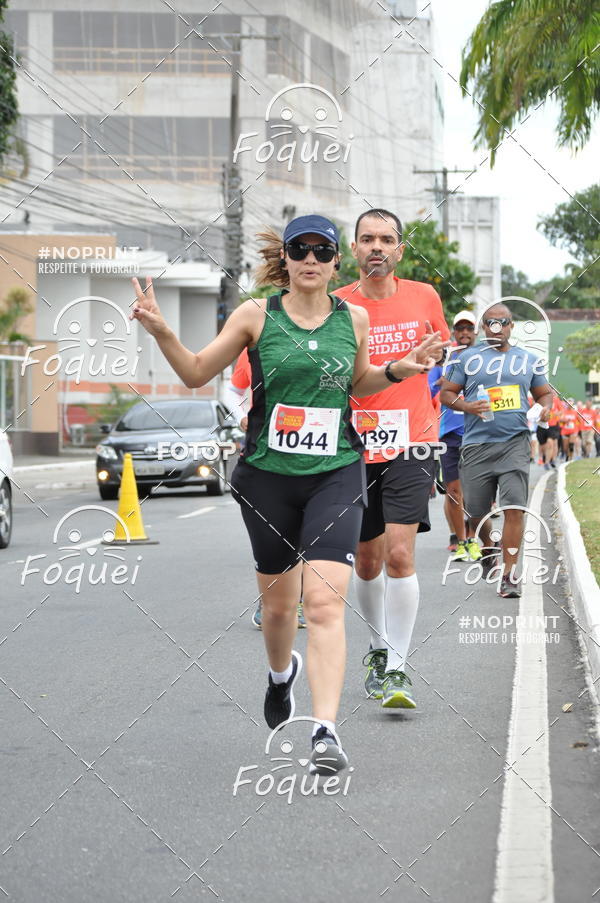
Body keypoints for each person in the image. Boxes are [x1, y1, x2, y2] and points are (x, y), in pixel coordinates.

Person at [131, 214, 444, 773]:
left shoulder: (355, 317)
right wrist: (162, 332)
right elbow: (197, 373)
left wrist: (399, 369)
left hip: (337, 471)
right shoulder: (257, 314)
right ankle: (281, 677)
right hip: (268, 476)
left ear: (333, 263)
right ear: (289, 258)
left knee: (323, 604)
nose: (311, 259)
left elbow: (358, 381)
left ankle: (325, 731)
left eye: (322, 251)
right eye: (300, 249)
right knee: (279, 609)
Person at [335, 208, 450, 710]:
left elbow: (441, 346)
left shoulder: (424, 295)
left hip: (413, 439)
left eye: (386, 239)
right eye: (367, 239)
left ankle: (399, 669)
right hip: (355, 444)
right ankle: (379, 647)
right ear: (354, 250)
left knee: (401, 555)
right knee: (367, 559)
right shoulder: (336, 304)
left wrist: (435, 356)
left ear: (400, 250)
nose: (377, 246)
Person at [440, 302, 553, 598]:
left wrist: (544, 409)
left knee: (514, 507)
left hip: (514, 444)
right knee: (477, 512)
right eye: (489, 323)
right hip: (476, 445)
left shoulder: (528, 360)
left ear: (511, 326)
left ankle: (510, 574)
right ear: (482, 328)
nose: (496, 328)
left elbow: (544, 394)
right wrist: (467, 406)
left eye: (501, 323)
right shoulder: (467, 359)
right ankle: (489, 546)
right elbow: (446, 393)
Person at [229, 349, 307, 630]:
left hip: (311, 455)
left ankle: (298, 603)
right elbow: (233, 391)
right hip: (264, 455)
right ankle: (270, 601)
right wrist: (241, 416)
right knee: (275, 535)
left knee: (306, 534)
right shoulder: (253, 346)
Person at [429, 310, 481, 562]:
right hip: (449, 433)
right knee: (453, 490)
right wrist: (439, 385)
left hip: (479, 433)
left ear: (476, 332)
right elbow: (428, 390)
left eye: (469, 329)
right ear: (453, 331)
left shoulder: (487, 358)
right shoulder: (444, 359)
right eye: (460, 329)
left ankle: (471, 538)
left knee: (477, 492)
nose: (464, 333)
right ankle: (461, 541)